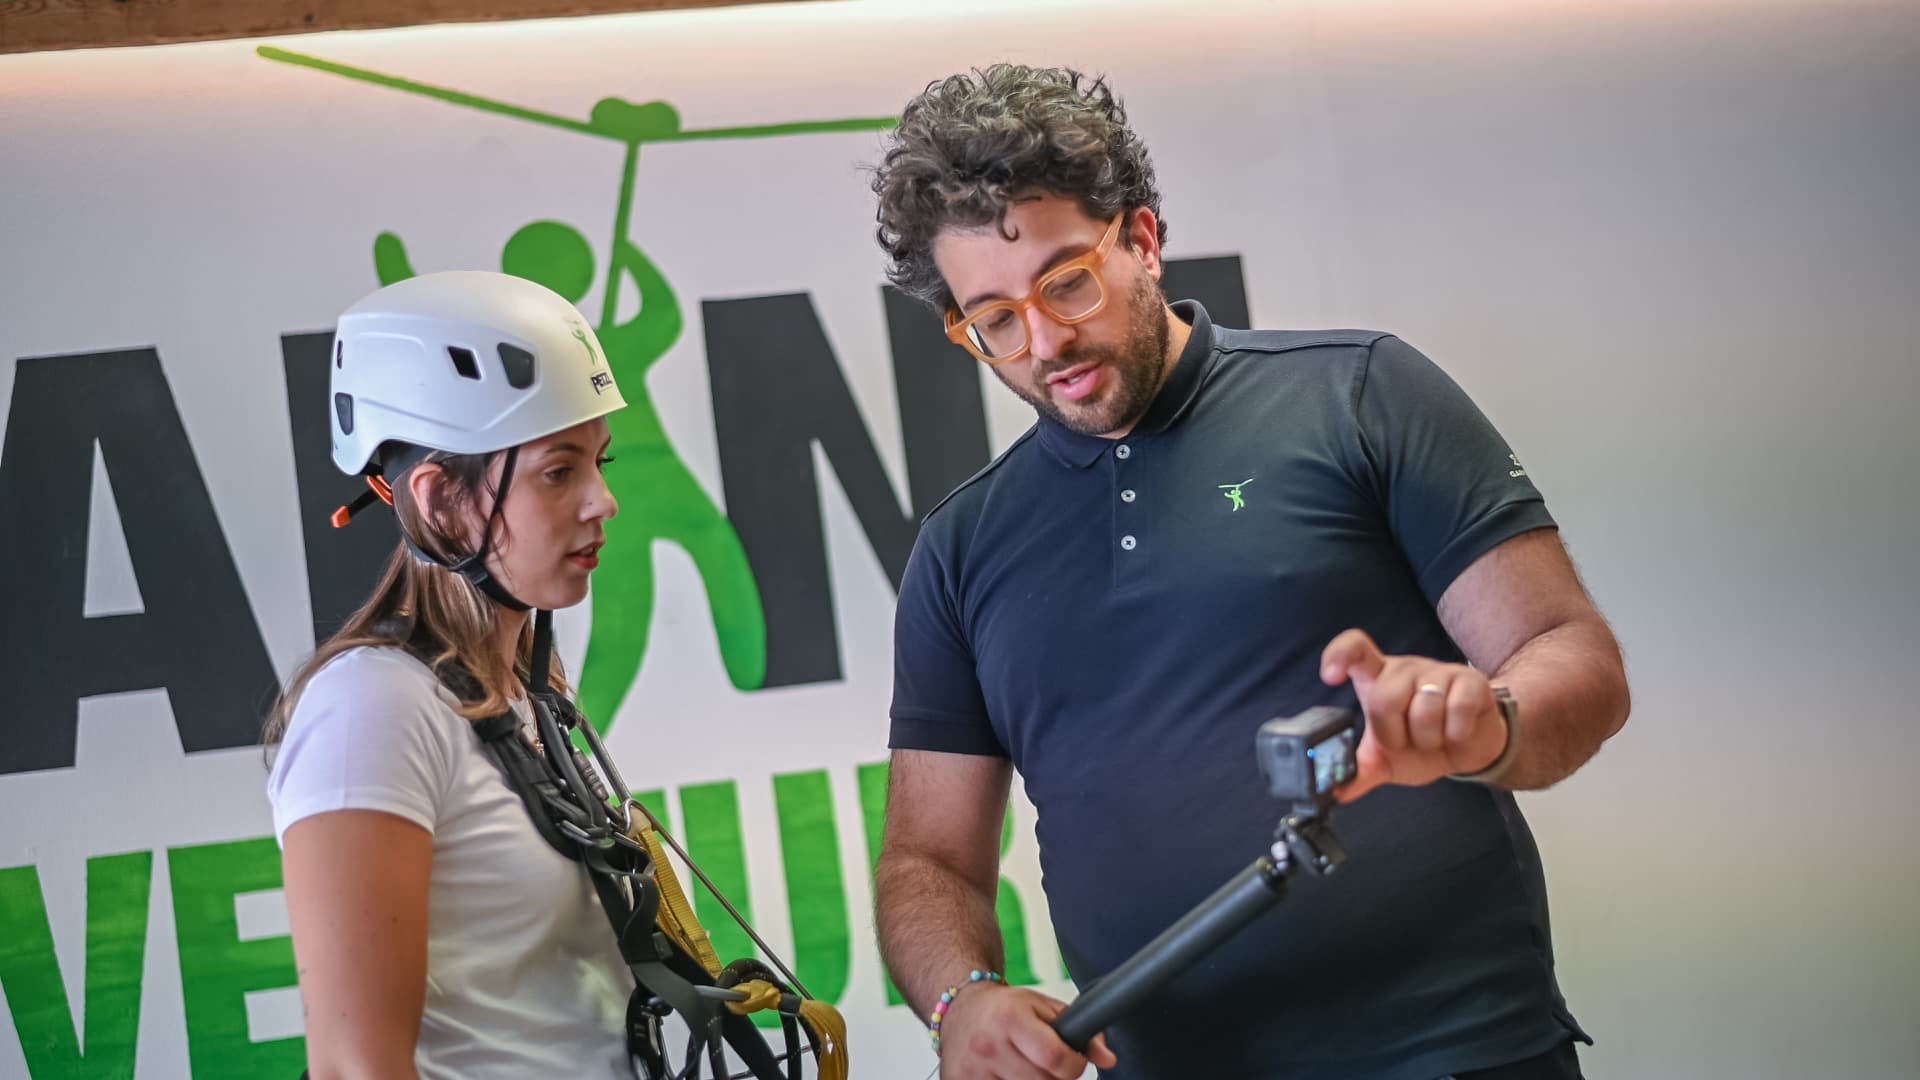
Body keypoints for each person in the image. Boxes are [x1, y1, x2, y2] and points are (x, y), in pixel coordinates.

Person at [868, 65, 1631, 1080]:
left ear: (1142, 238)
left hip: (1457, 1054)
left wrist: (1489, 719)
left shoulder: (1359, 393)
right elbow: (929, 863)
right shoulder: (960, 552)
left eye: (1068, 280)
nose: (1045, 342)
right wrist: (960, 1000)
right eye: (994, 319)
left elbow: (1571, 657)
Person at [264, 270, 634, 1078]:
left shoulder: (524, 689)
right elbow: (355, 1069)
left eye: (600, 462)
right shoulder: (372, 708)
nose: (603, 501)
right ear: (438, 501)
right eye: (558, 470)